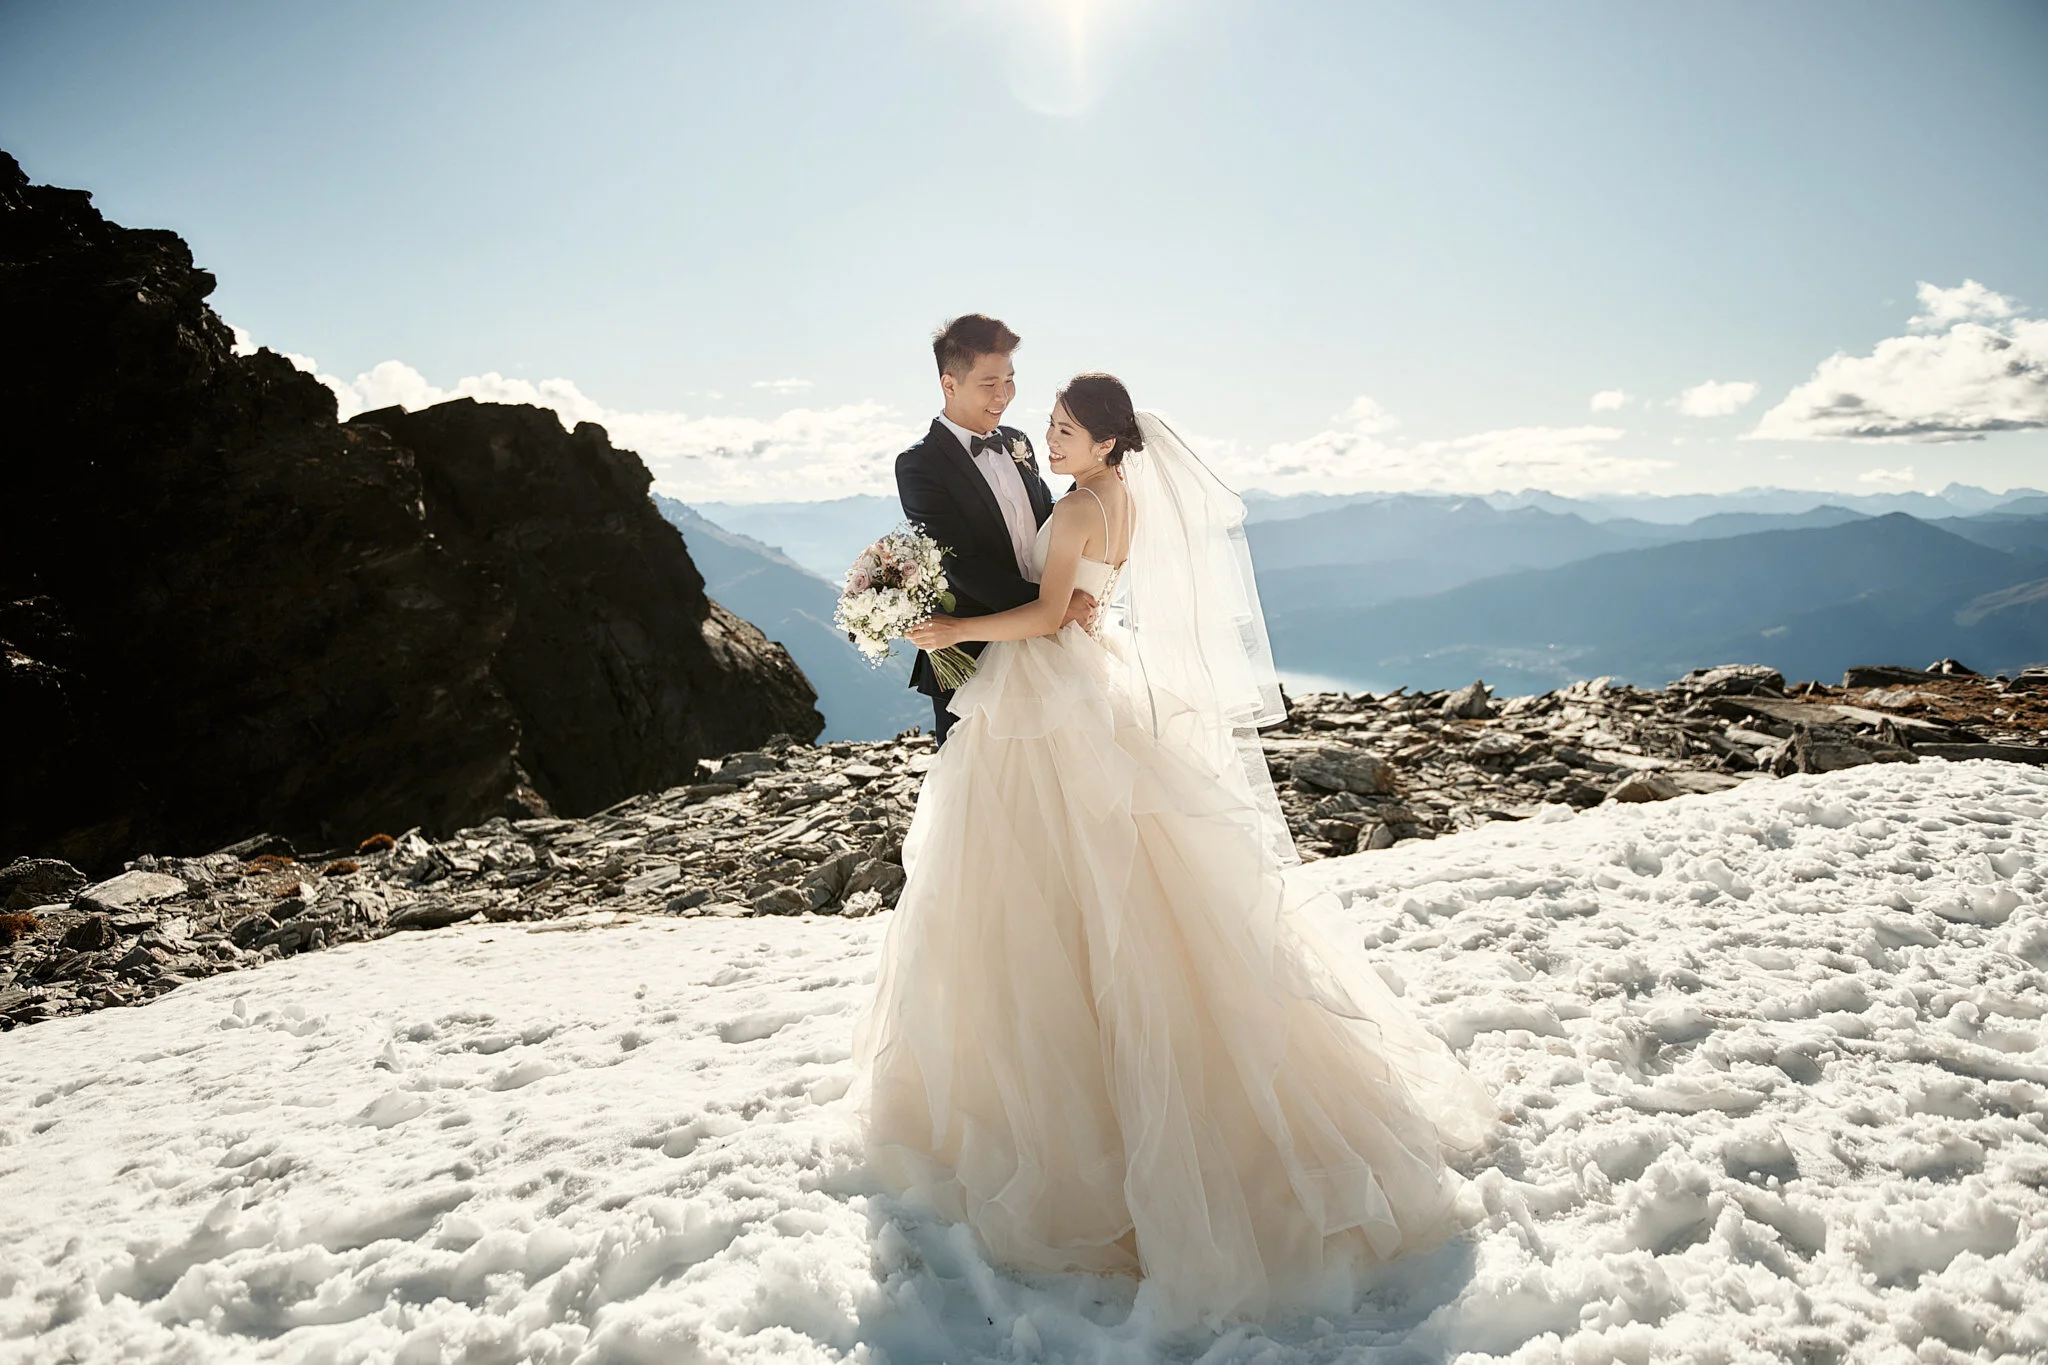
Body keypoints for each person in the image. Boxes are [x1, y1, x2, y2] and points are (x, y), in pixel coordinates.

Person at [851, 372, 1498, 1331]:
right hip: (1090, 681)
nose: (1052, 438)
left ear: (1109, 441)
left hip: (1042, 694)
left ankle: (1073, 1126)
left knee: (1040, 887)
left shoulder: (1075, 508)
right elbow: (1082, 604)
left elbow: (1041, 614)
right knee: (1123, 884)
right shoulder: (1124, 499)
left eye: (1068, 429)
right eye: (1053, 426)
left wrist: (950, 629)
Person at [893, 314, 1091, 744]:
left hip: (1046, 645)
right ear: (949, 384)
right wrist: (1052, 609)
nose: (1004, 395)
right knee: (976, 795)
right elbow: (963, 564)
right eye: (989, 384)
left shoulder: (1019, 441)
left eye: (1010, 379)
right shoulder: (919, 465)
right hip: (970, 656)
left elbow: (1047, 523)